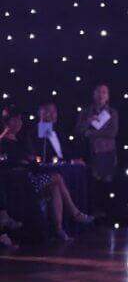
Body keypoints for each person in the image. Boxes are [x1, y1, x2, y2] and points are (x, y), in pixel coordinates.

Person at [2, 106, 94, 241]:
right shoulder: (4, 140)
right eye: (14, 120)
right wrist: (27, 161)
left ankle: (59, 229)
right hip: (20, 182)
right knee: (56, 177)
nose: (18, 123)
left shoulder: (19, 138)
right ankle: (75, 213)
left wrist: (30, 160)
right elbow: (11, 163)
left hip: (28, 177)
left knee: (55, 186)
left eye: (19, 120)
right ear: (6, 122)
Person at [75, 84, 119, 182]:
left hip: (106, 152)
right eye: (98, 92)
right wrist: (88, 121)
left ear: (107, 96)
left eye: (104, 92)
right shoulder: (85, 112)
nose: (101, 95)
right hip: (88, 152)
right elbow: (78, 130)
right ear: (94, 94)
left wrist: (91, 133)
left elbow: (112, 132)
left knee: (105, 183)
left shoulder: (112, 113)